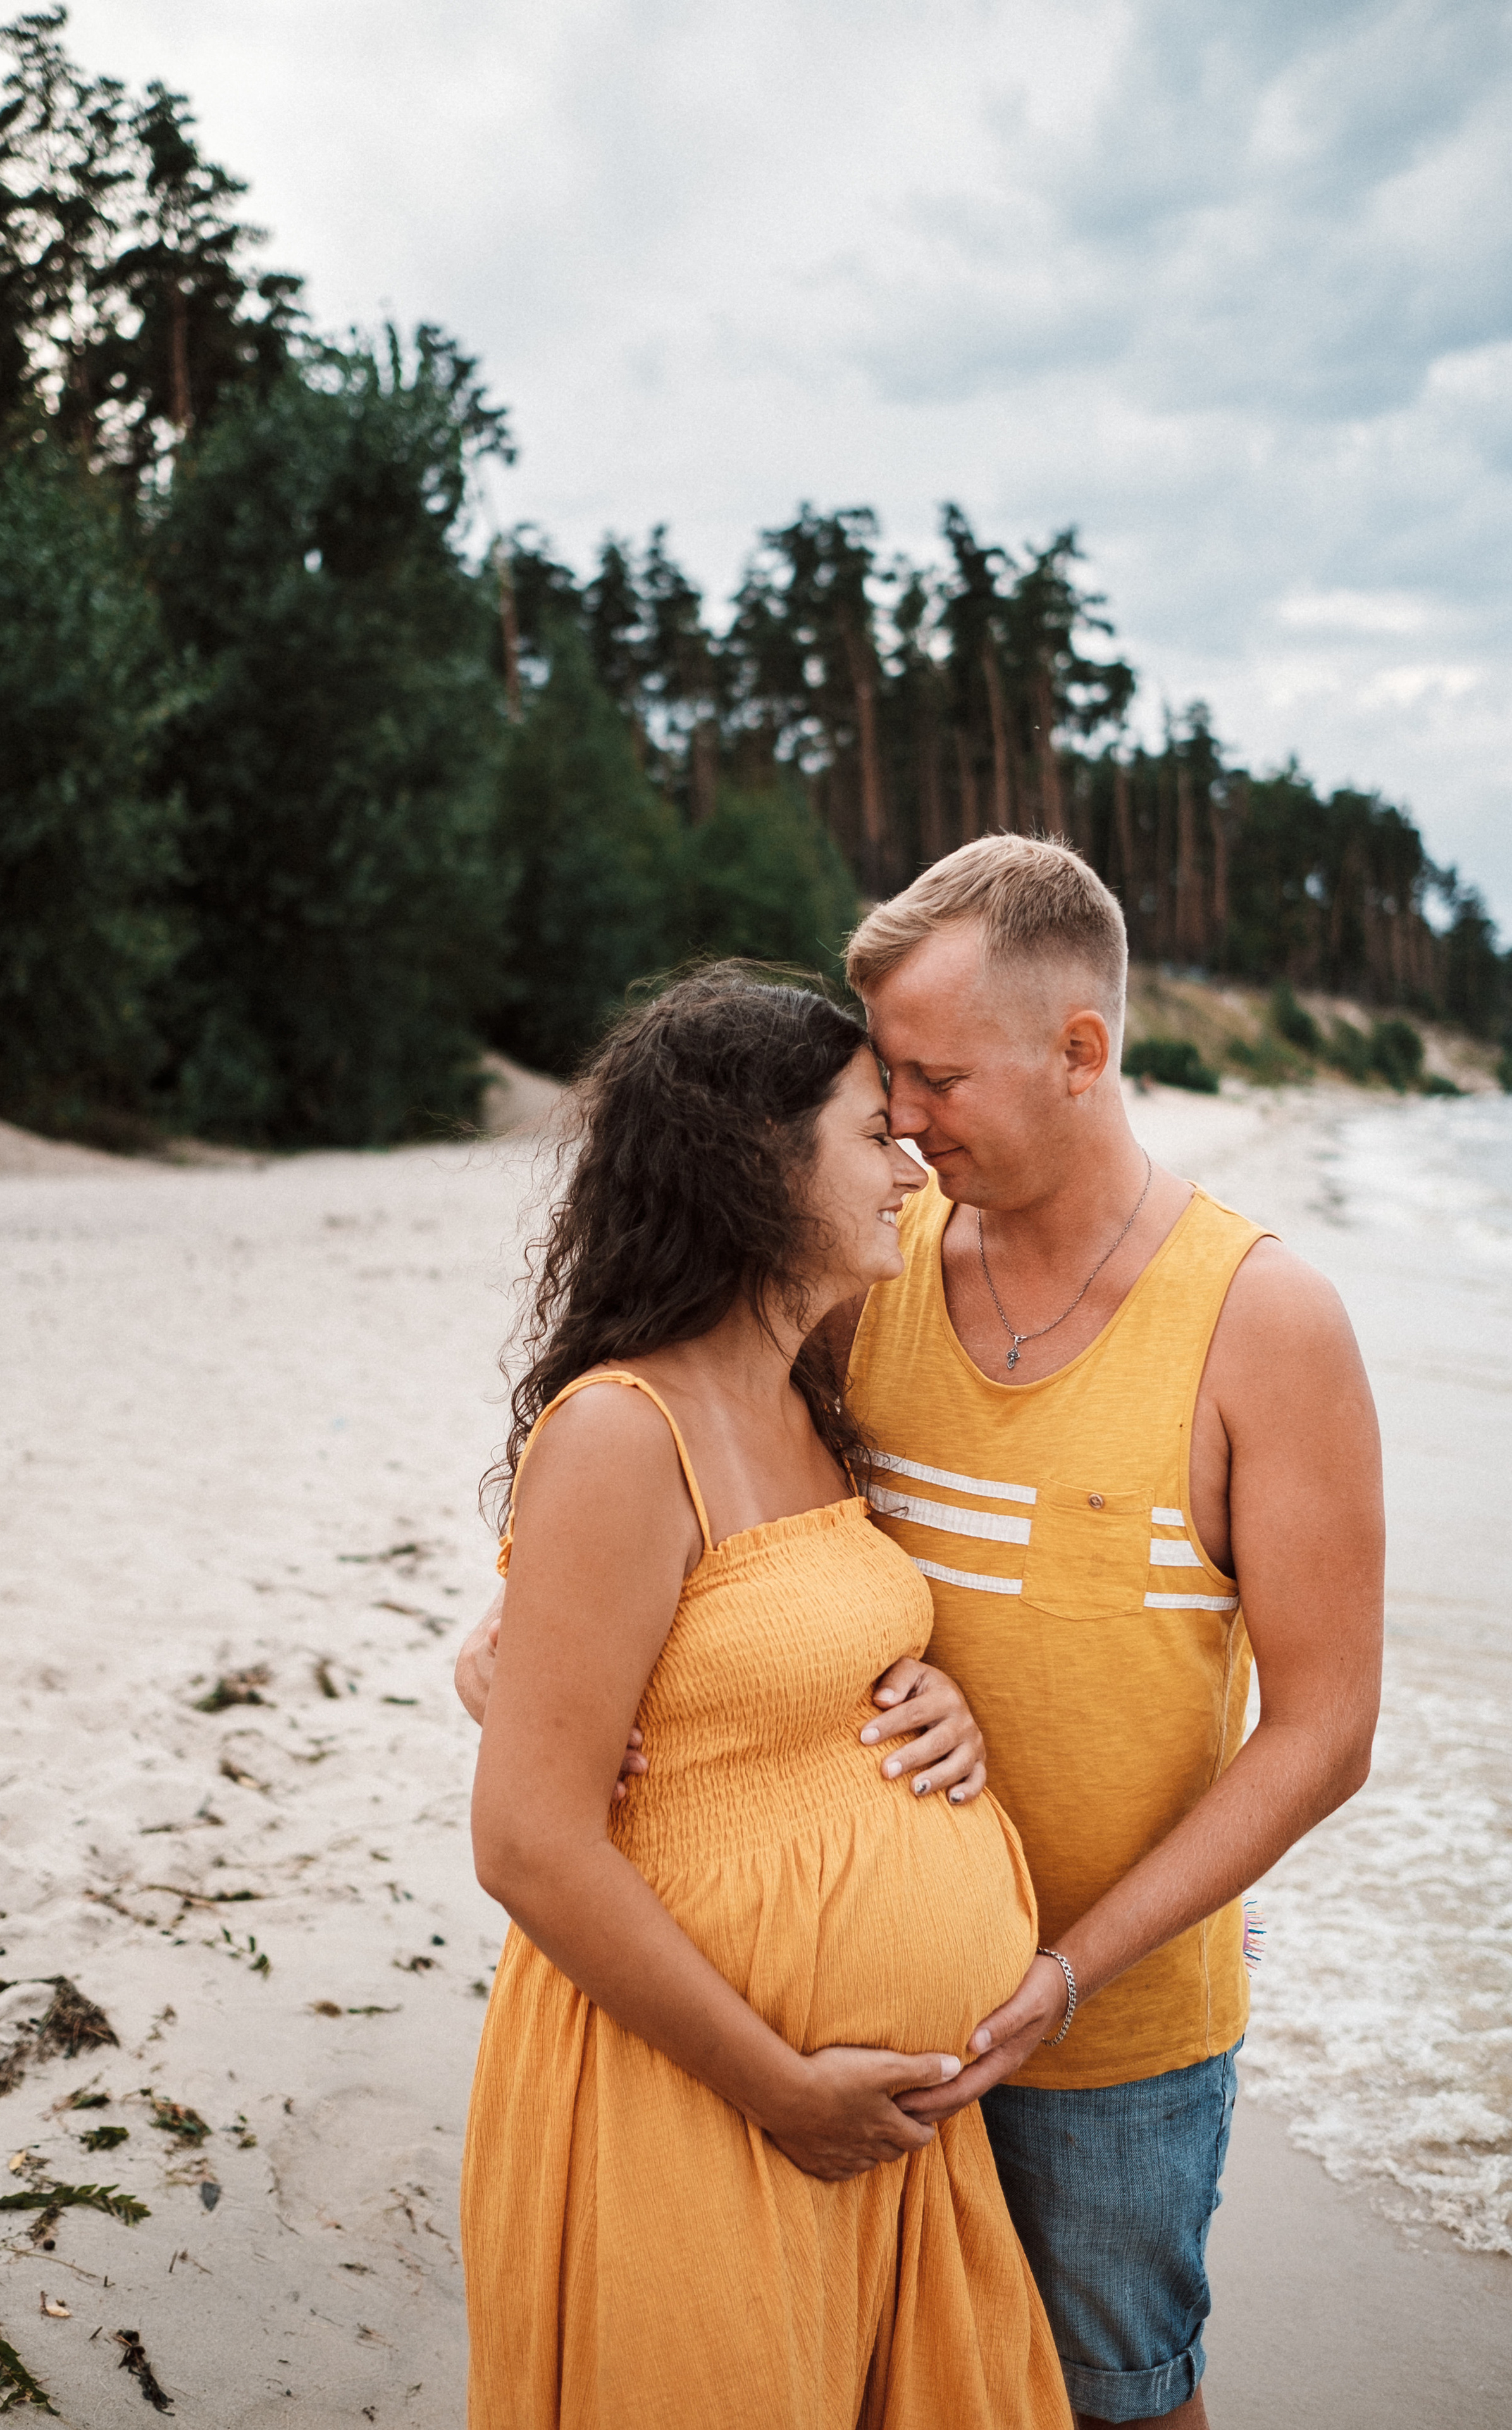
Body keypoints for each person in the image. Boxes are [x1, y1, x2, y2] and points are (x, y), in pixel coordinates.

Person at [459, 967, 1069, 2430]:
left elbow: (761, 1673)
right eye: (873, 1133)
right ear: (753, 1160)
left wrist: (936, 1705)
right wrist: (783, 2088)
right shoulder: (622, 1431)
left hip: (875, 2134)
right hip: (699, 2099)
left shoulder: (807, 1399)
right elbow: (528, 1842)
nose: (911, 1166)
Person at [832, 835, 1385, 2428]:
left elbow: (1322, 1731)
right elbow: (714, 1497)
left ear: (1080, 1052)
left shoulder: (1263, 1323)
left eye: (936, 1077)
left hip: (1113, 2038)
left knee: (1112, 2404)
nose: (900, 1121)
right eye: (888, 1079)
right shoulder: (869, 1263)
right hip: (852, 2005)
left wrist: (1066, 1976)